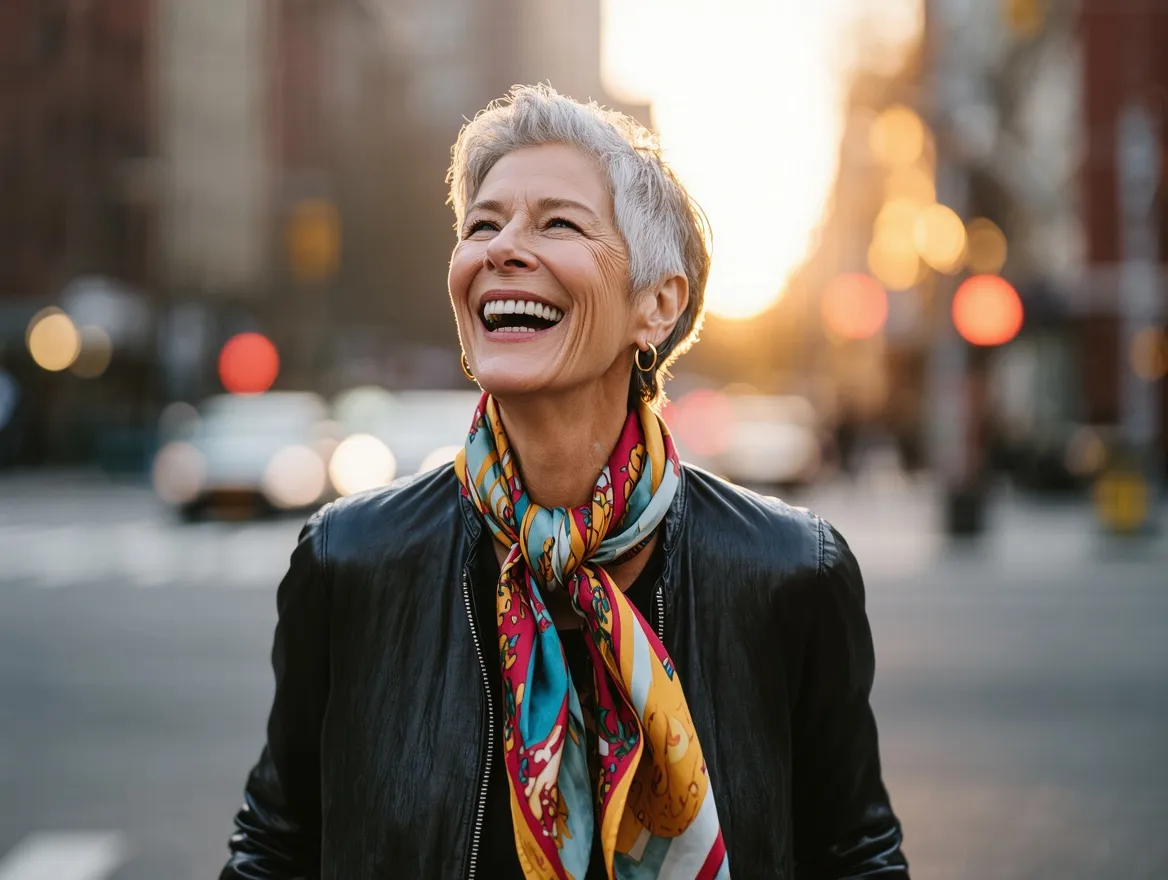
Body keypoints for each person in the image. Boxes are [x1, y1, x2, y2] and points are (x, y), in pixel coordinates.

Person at [220, 84, 909, 880]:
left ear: (656, 305)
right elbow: (275, 847)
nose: (502, 249)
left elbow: (857, 857)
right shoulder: (350, 559)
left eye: (557, 223)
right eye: (484, 223)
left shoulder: (791, 572)